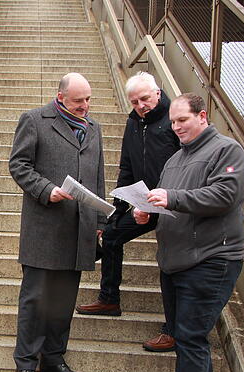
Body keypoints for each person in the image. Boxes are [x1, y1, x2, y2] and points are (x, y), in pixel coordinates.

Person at [134, 93, 244, 372]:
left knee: (190, 337)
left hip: (211, 259)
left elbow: (226, 195)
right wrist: (147, 213)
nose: (176, 126)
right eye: (172, 122)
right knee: (190, 338)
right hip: (176, 262)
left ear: (202, 116)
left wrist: (172, 197)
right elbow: (171, 203)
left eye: (182, 120)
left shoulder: (227, 150)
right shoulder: (175, 159)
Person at [8, 72, 106, 372]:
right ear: (61, 97)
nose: (85, 106)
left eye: (88, 100)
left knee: (64, 301)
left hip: (79, 231)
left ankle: (53, 359)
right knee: (35, 300)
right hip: (44, 228)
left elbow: (98, 178)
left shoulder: (94, 128)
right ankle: (25, 365)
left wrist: (101, 225)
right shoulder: (34, 120)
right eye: (79, 101)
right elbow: (19, 165)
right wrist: (46, 190)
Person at [75, 72, 180, 353]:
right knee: (110, 235)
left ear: (157, 93)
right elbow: (127, 168)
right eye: (134, 102)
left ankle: (173, 330)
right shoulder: (133, 123)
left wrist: (168, 199)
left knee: (170, 263)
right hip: (144, 203)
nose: (140, 105)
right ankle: (109, 299)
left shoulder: (175, 119)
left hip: (176, 204)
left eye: (144, 99)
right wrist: (120, 207)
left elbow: (189, 165)